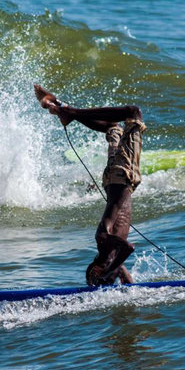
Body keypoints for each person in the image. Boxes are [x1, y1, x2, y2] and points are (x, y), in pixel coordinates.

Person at [34, 84, 146, 286]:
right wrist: (112, 276)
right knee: (113, 128)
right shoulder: (112, 256)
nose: (118, 276)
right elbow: (126, 278)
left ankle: (68, 112)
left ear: (100, 268)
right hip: (117, 177)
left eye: (112, 277)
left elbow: (128, 248)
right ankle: (60, 107)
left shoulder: (103, 238)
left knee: (133, 113)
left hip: (121, 174)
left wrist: (105, 273)